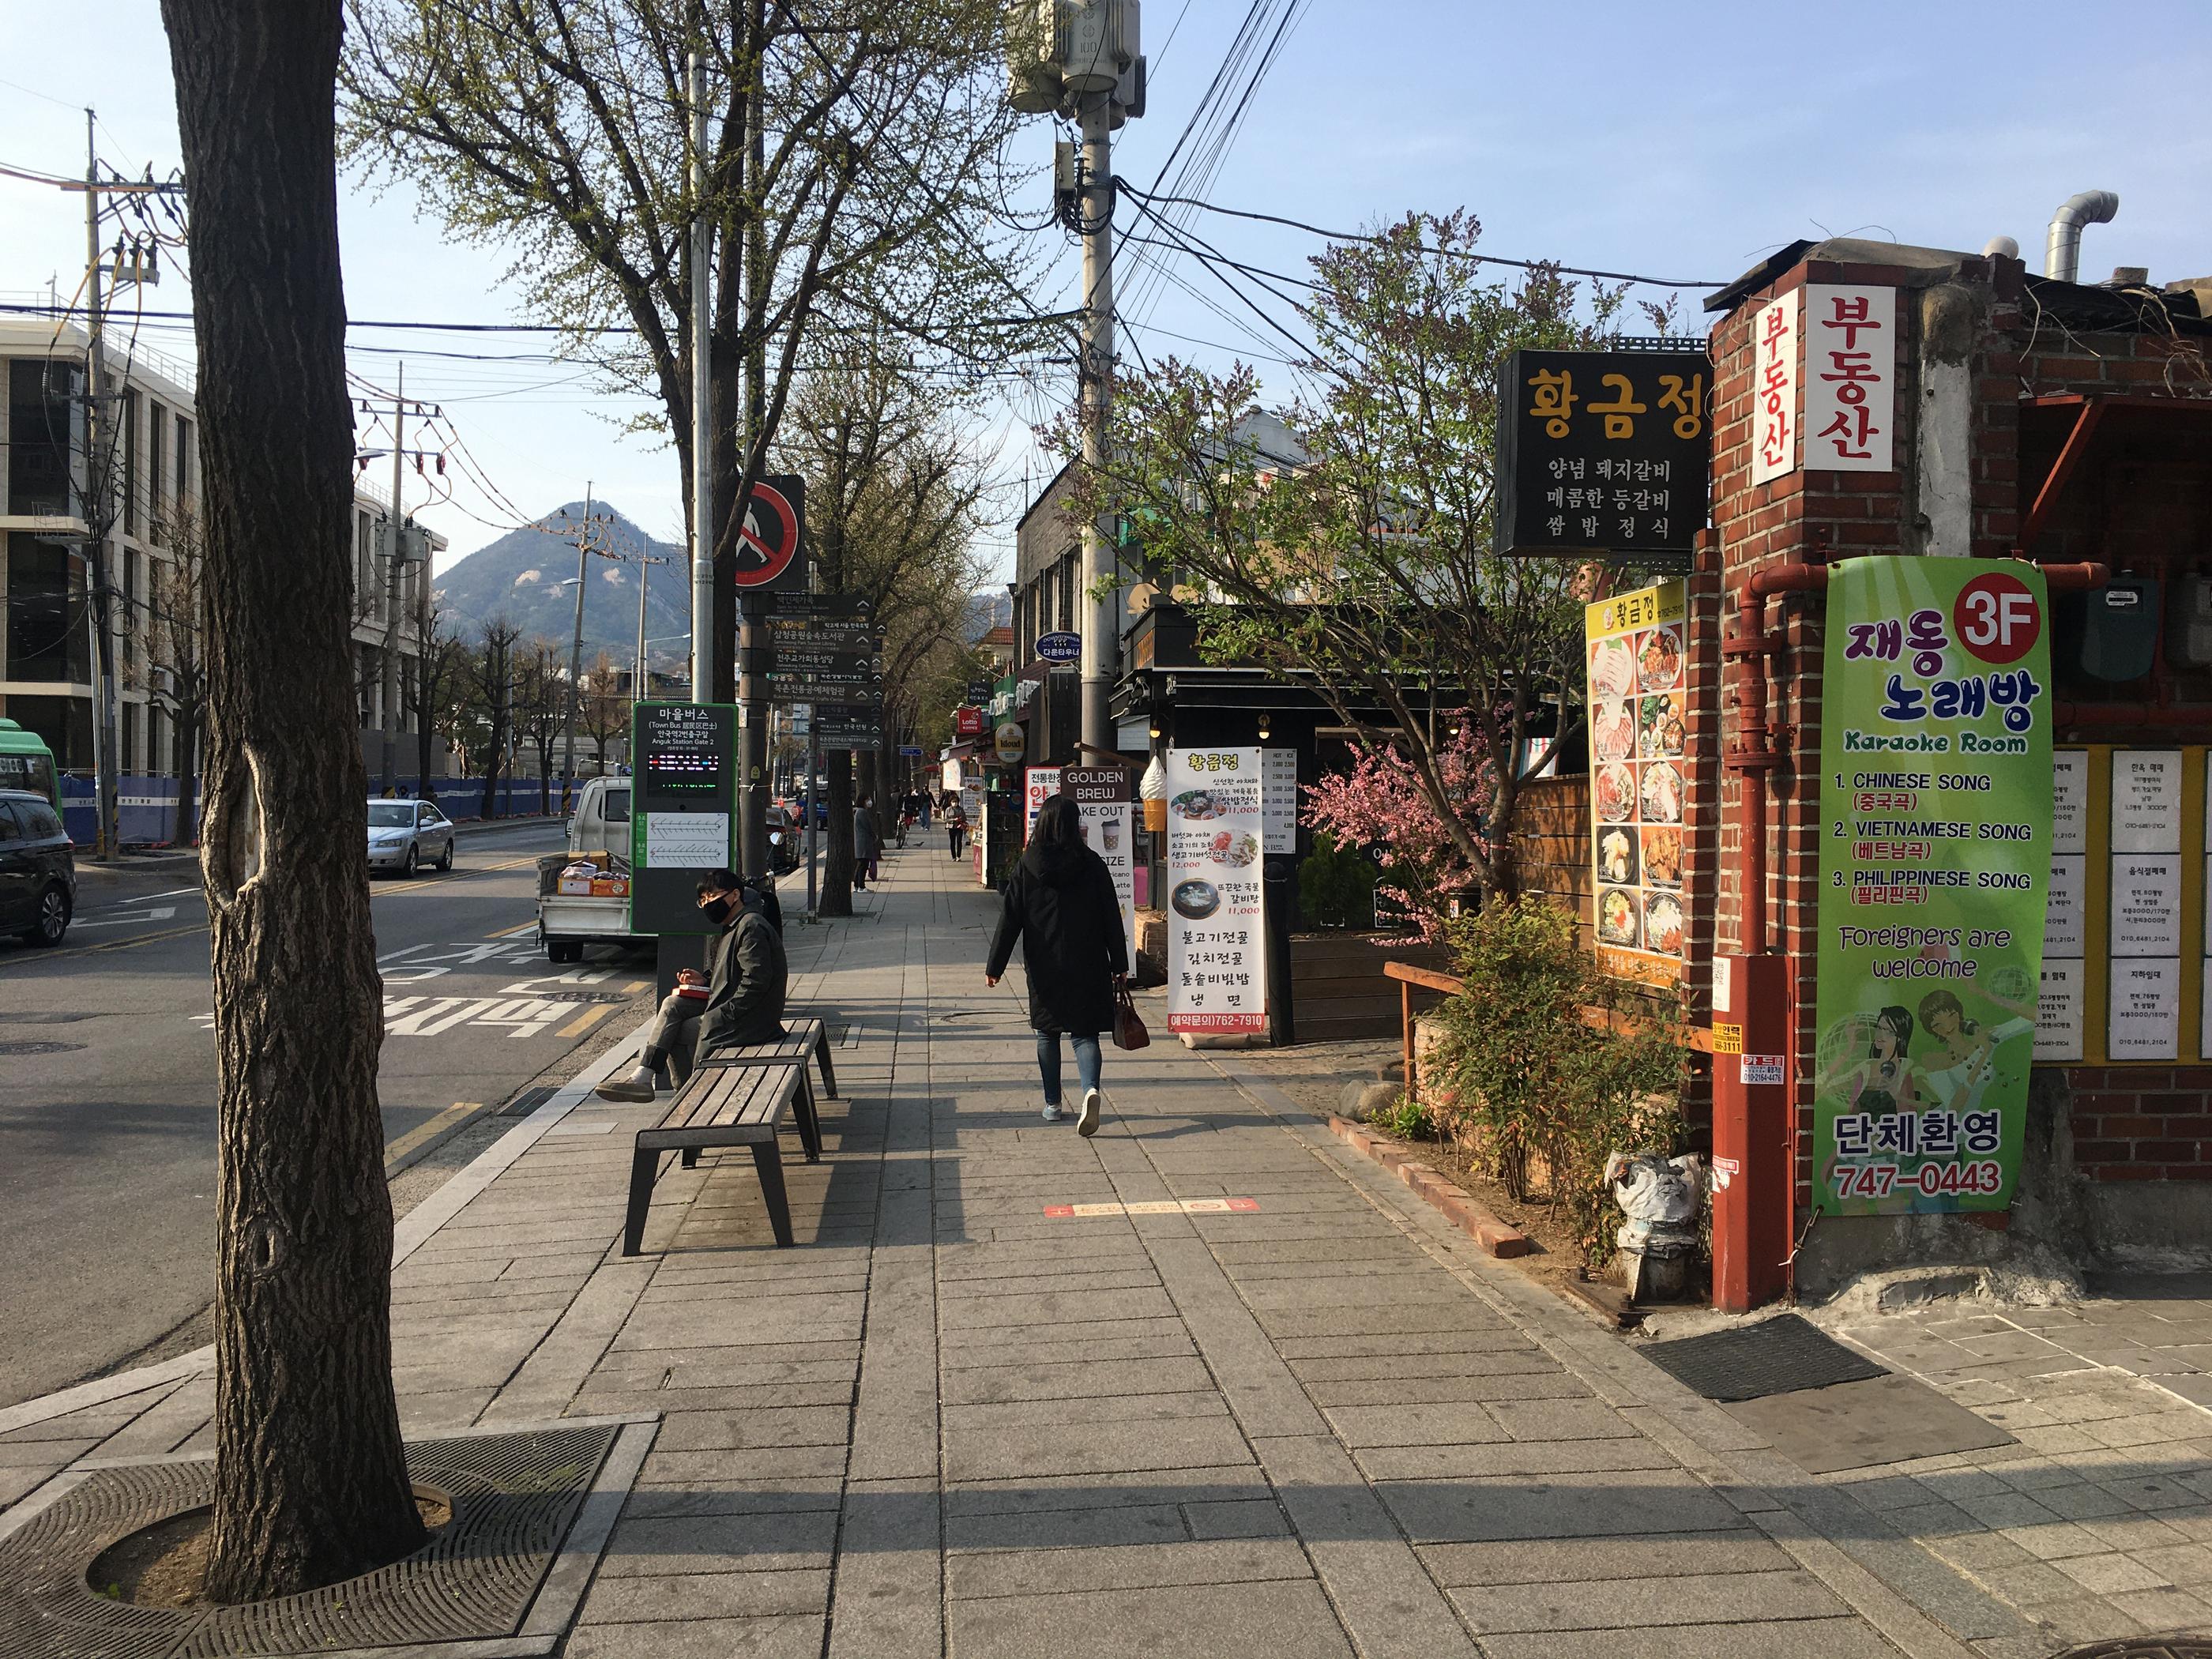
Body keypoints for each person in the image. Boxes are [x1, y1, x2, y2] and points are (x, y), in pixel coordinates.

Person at [986, 794, 1129, 1135]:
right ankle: (1090, 1090)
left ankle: (1052, 1104)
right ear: (1073, 824)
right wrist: (1120, 963)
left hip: (1044, 961)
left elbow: (1010, 919)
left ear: (1043, 823)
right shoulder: (1093, 863)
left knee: (1047, 1033)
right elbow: (1111, 915)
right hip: (1089, 960)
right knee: (1084, 1034)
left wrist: (996, 965)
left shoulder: (1027, 865)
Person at [596, 869, 788, 1103]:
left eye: (712, 896)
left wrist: (722, 1014)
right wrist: (705, 981)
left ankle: (686, 1097)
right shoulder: (735, 925)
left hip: (753, 1021)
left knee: (675, 1031)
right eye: (703, 899)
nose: (708, 904)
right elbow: (735, 974)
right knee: (672, 1004)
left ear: (735, 895)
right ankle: (645, 1077)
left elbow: (756, 982)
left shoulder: (750, 927)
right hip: (740, 1012)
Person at [852, 799, 881, 889]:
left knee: (861, 864)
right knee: (863, 865)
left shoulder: (858, 812)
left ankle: (857, 885)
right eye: (867, 800)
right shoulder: (862, 812)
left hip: (861, 842)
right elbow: (868, 826)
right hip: (864, 842)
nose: (869, 802)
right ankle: (861, 886)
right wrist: (874, 836)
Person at [946, 796, 969, 860]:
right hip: (952, 827)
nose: (955, 803)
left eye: (956, 802)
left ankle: (958, 856)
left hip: (959, 827)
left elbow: (964, 818)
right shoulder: (948, 809)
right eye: (953, 802)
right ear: (950, 802)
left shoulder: (961, 809)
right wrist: (953, 819)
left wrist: (961, 820)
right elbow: (946, 819)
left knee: (959, 841)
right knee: (952, 842)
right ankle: (953, 857)